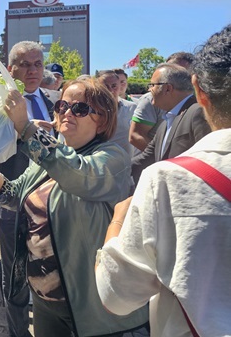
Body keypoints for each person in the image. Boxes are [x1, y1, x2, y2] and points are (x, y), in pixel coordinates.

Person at [0, 77, 148, 337]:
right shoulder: (47, 158)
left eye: (80, 108)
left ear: (102, 120)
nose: (67, 112)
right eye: (62, 106)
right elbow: (14, 196)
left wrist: (26, 128)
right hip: (46, 299)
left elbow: (77, 175)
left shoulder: (113, 157)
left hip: (90, 305)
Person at [96, 24, 231, 336]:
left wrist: (117, 221)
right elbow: (144, 156)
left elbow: (116, 295)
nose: (149, 91)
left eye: (154, 85)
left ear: (199, 90)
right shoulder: (168, 124)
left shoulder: (167, 180)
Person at [0, 41, 55, 337]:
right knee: (15, 273)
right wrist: (20, 129)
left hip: (49, 202)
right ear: (10, 69)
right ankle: (17, 331)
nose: (32, 71)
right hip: (12, 199)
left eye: (38, 64)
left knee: (46, 270)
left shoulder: (54, 103)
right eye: (25, 65)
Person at [130, 63, 211, 186]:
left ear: (167, 88)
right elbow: (146, 158)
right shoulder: (166, 121)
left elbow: (207, 161)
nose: (149, 90)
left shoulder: (198, 112)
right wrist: (113, 169)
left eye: (152, 85)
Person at [128, 53, 194, 152]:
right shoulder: (151, 99)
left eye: (183, 72)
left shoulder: (198, 103)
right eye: (170, 68)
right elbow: (135, 136)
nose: (176, 73)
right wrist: (163, 157)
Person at [96, 69, 136, 159]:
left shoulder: (132, 108)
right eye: (105, 86)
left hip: (125, 162)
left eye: (114, 86)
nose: (110, 90)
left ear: (120, 86)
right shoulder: (91, 111)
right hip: (99, 161)